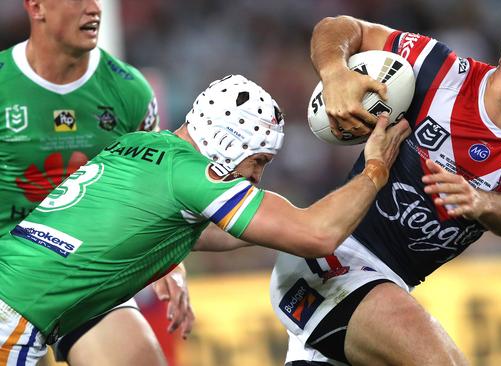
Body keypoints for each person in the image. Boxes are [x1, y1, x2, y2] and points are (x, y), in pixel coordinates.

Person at [0, 74, 411, 366]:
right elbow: (316, 235)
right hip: (15, 315)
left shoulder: (141, 144)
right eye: (259, 161)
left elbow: (210, 231)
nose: (257, 176)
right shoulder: (196, 176)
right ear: (228, 143)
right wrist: (375, 170)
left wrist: (291, 223)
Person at [269, 9, 501, 366]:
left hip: (385, 287)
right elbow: (339, 28)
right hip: (334, 259)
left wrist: (481, 202)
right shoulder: (438, 70)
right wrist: (335, 73)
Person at [0, 0, 193, 364]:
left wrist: (173, 266)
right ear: (37, 7)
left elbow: (155, 192)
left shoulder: (130, 91)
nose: (94, 9)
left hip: (84, 272)